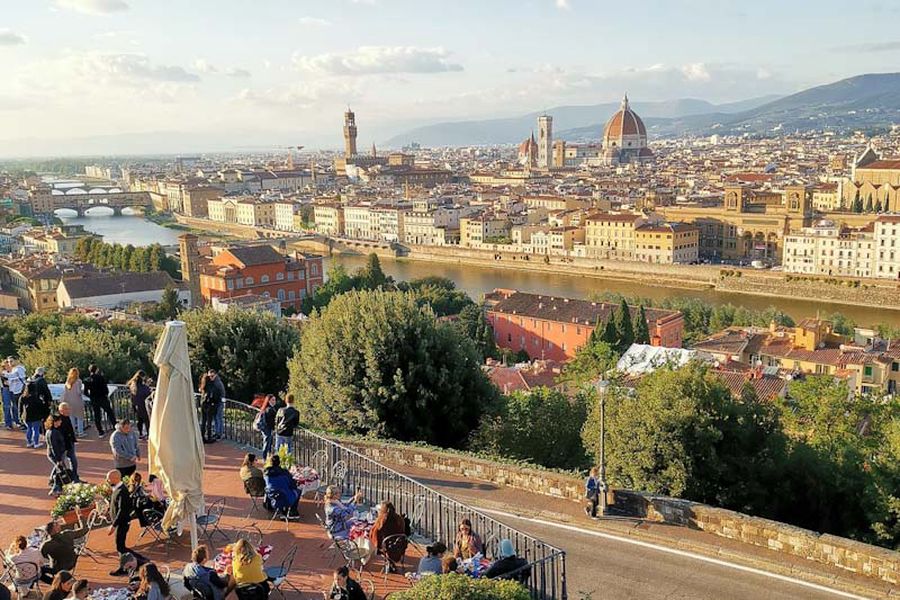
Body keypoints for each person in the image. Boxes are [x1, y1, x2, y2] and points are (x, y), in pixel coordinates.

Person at [107, 469, 135, 573]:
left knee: (120, 547)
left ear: (115, 478)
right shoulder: (118, 489)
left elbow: (122, 510)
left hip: (122, 523)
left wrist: (114, 525)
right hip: (121, 522)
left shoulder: (122, 491)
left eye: (109, 478)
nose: (107, 480)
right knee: (121, 546)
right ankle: (127, 564)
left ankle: (131, 563)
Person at [369, 501, 408, 566]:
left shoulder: (381, 520)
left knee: (375, 538)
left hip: (387, 546)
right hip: (399, 546)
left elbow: (374, 532)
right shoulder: (399, 519)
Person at [84, 364, 115, 437]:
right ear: (97, 369)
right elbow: (105, 388)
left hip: (94, 399)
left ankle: (100, 431)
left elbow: (85, 392)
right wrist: (106, 394)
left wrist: (91, 397)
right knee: (110, 412)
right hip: (102, 398)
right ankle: (115, 426)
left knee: (97, 415)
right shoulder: (101, 378)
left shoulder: (87, 380)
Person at [58, 403, 81, 483]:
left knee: (73, 460)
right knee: (60, 462)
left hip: (70, 442)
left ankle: (75, 477)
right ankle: (57, 479)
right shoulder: (59, 420)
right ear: (61, 410)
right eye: (66, 409)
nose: (68, 411)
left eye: (68, 409)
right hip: (63, 444)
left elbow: (70, 430)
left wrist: (73, 439)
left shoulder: (67, 418)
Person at [46, 414, 69, 496]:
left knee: (57, 468)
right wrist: (58, 459)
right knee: (60, 470)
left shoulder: (50, 431)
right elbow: (54, 447)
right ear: (55, 422)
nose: (61, 422)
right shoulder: (54, 433)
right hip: (57, 454)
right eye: (59, 420)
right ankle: (55, 488)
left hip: (54, 454)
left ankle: (52, 481)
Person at [4, 356, 28, 430]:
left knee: (19, 408)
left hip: (19, 391)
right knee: (15, 407)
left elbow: (22, 378)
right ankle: (18, 422)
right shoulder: (14, 369)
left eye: (11, 361)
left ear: (16, 360)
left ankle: (22, 422)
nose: (10, 363)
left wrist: (5, 375)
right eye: (8, 362)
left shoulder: (19, 369)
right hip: (14, 391)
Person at [127, 371, 152, 440]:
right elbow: (148, 394)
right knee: (147, 421)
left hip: (136, 406)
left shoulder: (133, 386)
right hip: (143, 406)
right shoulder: (144, 387)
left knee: (139, 420)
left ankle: (140, 434)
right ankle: (148, 434)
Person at [21, 381, 46, 448]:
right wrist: (43, 415)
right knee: (36, 429)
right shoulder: (36, 398)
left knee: (29, 429)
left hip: (27, 416)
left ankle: (29, 442)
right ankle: (36, 443)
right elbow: (41, 407)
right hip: (36, 416)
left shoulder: (23, 397)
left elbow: (20, 407)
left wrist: (20, 415)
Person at [61, 369, 86, 437]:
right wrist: (83, 391)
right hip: (77, 401)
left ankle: (73, 432)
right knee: (80, 417)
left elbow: (65, 393)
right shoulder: (78, 381)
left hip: (69, 402)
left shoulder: (68, 382)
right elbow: (78, 392)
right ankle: (80, 432)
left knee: (71, 417)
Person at [207, 370, 226, 439]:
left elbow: (221, 393)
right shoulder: (214, 382)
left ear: (215, 375)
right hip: (216, 402)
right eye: (209, 377)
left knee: (218, 417)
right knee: (216, 417)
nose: (210, 378)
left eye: (212, 376)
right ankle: (217, 432)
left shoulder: (218, 383)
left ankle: (219, 433)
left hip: (219, 402)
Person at [257, 395, 277, 460]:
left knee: (268, 442)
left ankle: (267, 456)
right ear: (268, 401)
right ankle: (265, 457)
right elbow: (270, 421)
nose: (274, 401)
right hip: (267, 428)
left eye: (274, 400)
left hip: (265, 428)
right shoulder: (269, 409)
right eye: (272, 400)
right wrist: (274, 428)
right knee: (267, 442)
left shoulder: (267, 408)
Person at [199, 374, 216, 444]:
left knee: (203, 421)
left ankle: (202, 437)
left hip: (203, 404)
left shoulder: (203, 386)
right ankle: (209, 437)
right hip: (209, 405)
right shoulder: (211, 386)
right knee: (209, 422)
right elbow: (212, 395)